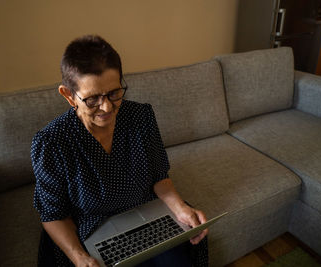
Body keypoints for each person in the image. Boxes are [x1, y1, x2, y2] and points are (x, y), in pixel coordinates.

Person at [31, 34, 208, 267]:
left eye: (114, 93)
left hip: (145, 214)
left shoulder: (141, 117)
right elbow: (54, 215)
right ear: (69, 95)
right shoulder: (51, 143)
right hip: (92, 228)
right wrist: (80, 257)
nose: (106, 107)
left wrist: (181, 208)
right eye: (92, 99)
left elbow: (159, 178)